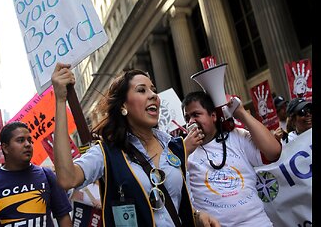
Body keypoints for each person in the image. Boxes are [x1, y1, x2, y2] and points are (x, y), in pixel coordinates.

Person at [51, 62, 220, 227]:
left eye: (153, 89)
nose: (153, 95)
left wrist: (197, 216)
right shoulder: (106, 153)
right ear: (123, 105)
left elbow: (182, 202)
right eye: (141, 90)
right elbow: (67, 178)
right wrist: (60, 101)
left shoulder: (174, 146)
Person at [182, 91, 281, 227]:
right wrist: (184, 151)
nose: (191, 122)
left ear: (213, 116)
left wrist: (240, 113)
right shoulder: (184, 153)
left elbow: (273, 152)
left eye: (196, 115)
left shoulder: (237, 137)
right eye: (187, 118)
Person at [0, 121, 73, 227]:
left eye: (30, 140)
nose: (28, 144)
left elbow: (63, 217)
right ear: (5, 148)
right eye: (20, 140)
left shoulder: (47, 176)